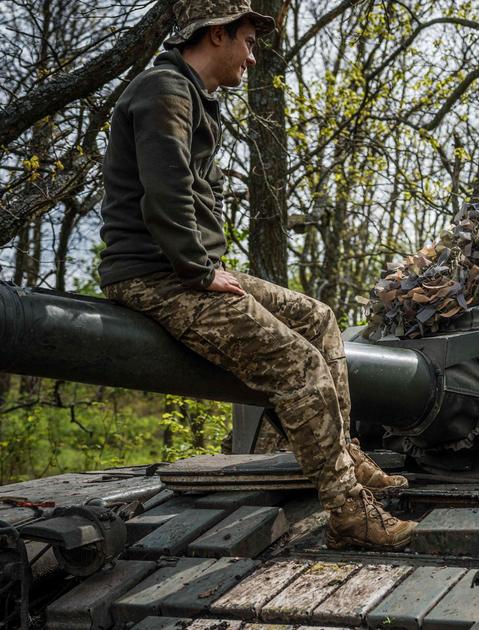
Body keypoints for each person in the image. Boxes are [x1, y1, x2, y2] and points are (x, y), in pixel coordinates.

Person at [97, 0, 415, 549]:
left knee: (319, 318)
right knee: (300, 366)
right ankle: (350, 515)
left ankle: (344, 454)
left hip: (182, 268)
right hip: (157, 276)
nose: (252, 55)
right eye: (247, 40)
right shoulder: (163, 91)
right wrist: (198, 271)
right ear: (216, 35)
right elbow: (165, 189)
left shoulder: (188, 94)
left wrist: (202, 267)